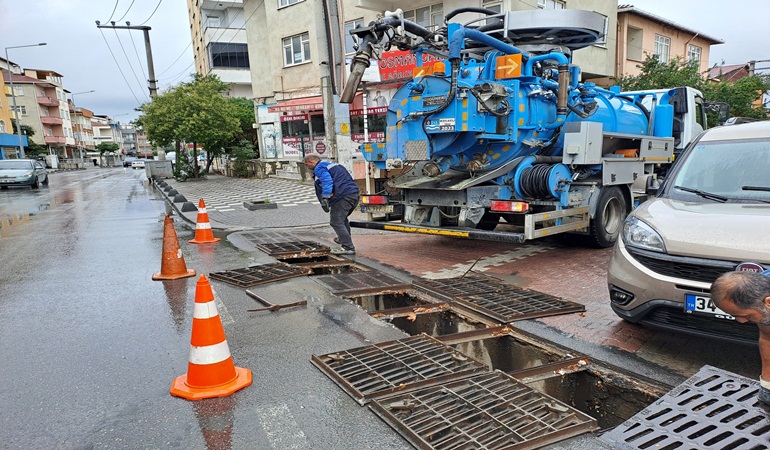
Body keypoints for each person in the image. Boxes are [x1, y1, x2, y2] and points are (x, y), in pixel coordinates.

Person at [711, 270, 770, 405]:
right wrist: (767, 385)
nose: (741, 321)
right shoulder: (763, 290)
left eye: (746, 316)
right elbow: (768, 337)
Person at [303, 154, 360, 255]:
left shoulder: (319, 167)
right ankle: (343, 240)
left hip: (343, 197)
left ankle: (348, 247)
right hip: (353, 194)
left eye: (307, 164)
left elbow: (327, 180)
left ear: (312, 162)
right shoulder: (331, 164)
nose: (307, 167)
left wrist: (325, 197)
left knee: (336, 222)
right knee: (342, 219)